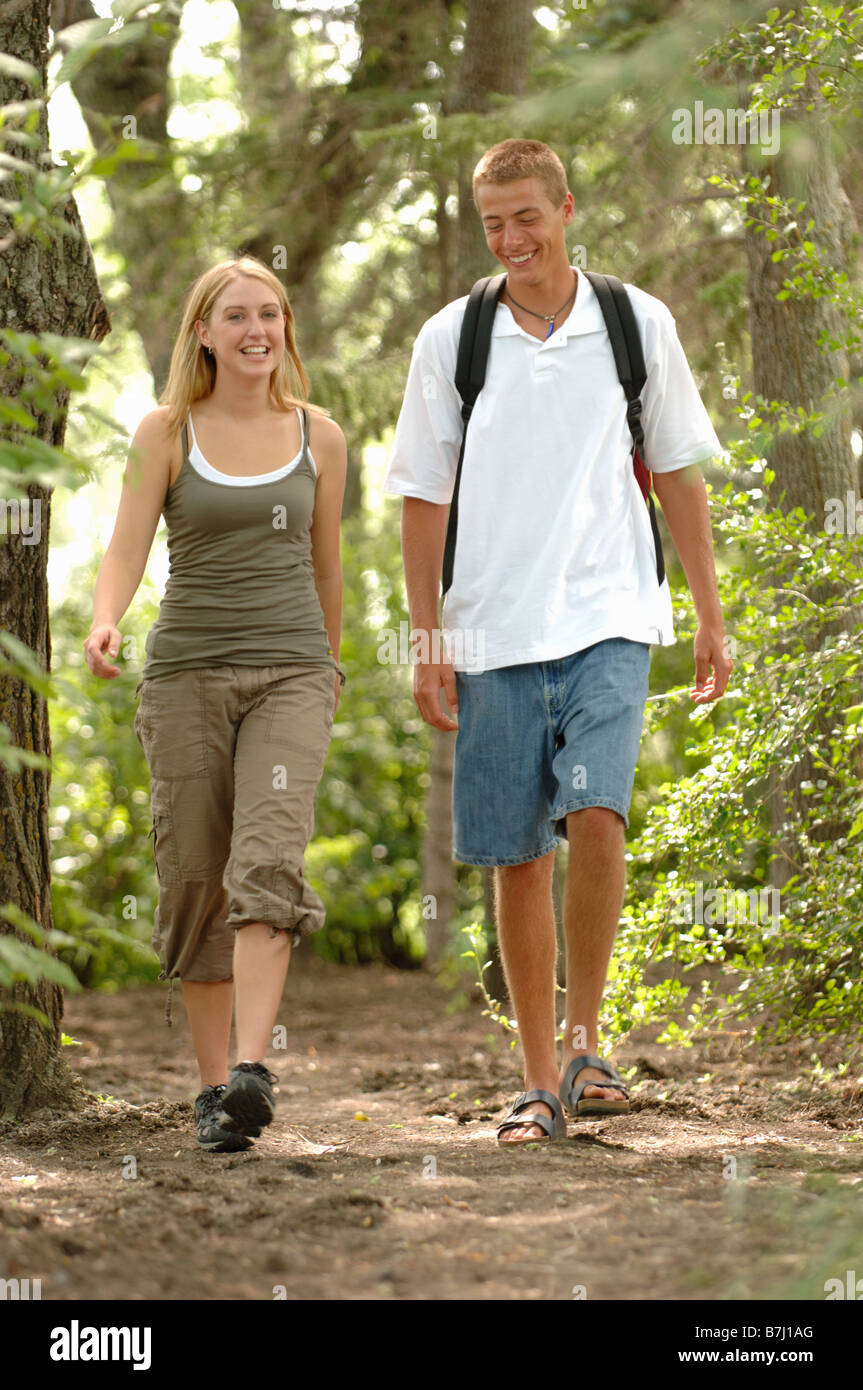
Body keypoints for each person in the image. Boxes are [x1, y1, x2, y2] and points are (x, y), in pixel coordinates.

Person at [385, 138, 731, 1145]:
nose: (511, 238)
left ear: (566, 208)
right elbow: (420, 492)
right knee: (516, 855)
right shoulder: (453, 338)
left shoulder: (632, 323)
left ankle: (586, 1041)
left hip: (610, 612)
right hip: (492, 625)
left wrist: (707, 613)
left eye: (526, 215)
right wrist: (427, 632)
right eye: (493, 222)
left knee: (596, 816)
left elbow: (675, 470)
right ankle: (536, 1077)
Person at [84, 255, 347, 1153]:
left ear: (285, 328)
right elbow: (124, 548)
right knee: (195, 876)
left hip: (290, 672)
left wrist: (330, 668)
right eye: (235, 316)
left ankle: (252, 1068)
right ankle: (212, 1096)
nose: (255, 331)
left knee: (267, 860)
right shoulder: (165, 431)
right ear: (203, 331)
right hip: (186, 672)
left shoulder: (320, 435)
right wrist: (104, 620)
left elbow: (326, 566)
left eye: (268, 315)